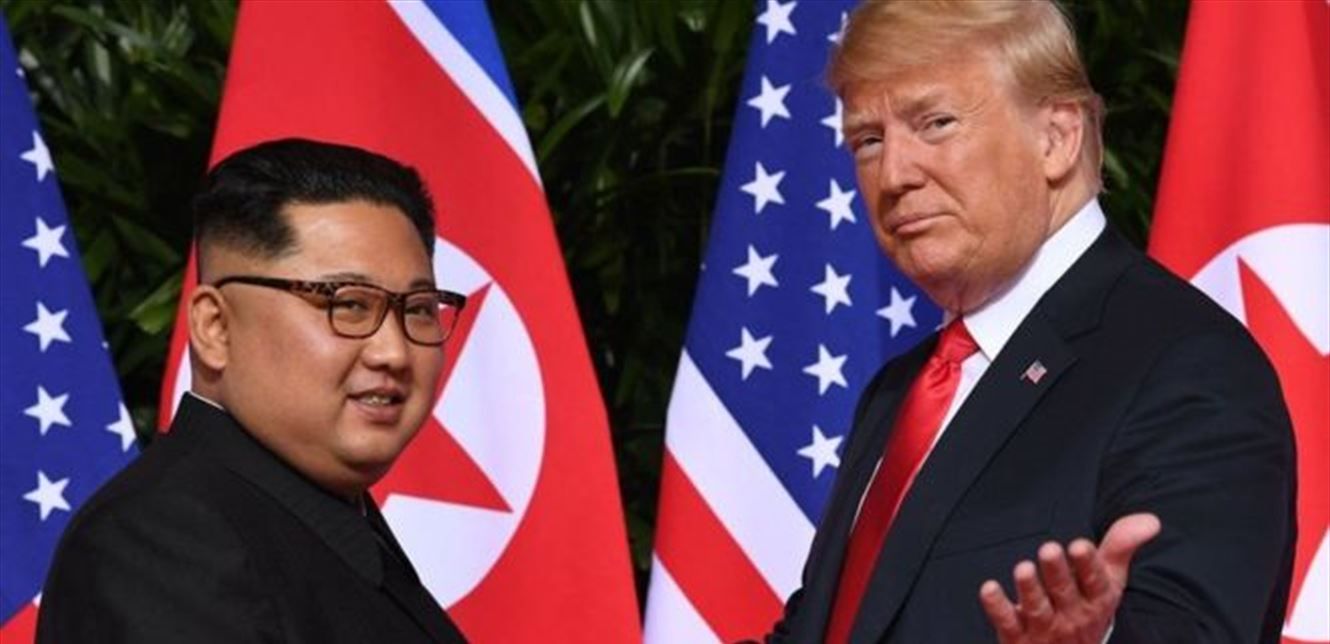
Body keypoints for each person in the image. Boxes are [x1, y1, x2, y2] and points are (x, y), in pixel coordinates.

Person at [768, 2, 1296, 642]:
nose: (895, 175)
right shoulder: (898, 390)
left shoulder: (1188, 365)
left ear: (1056, 137)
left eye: (935, 123)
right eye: (868, 141)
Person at [37, 138, 469, 643]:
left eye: (418, 309)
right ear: (215, 328)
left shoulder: (327, 524)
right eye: (348, 304)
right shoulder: (162, 543)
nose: (393, 351)